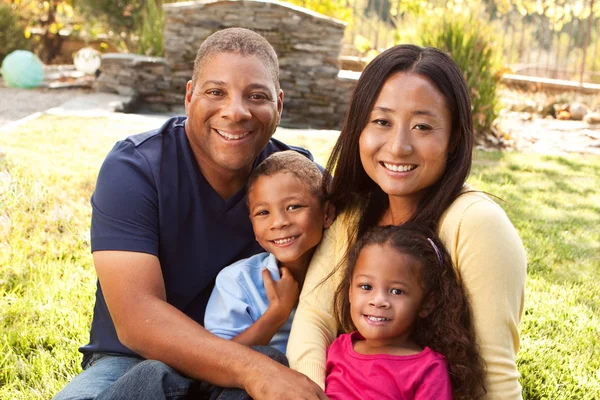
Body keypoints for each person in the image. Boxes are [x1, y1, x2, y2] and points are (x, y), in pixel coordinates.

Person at [53, 28, 327, 400]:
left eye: (257, 96)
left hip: (255, 349)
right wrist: (255, 370)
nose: (235, 111)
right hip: (132, 359)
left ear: (279, 104)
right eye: (216, 92)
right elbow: (137, 320)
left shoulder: (295, 178)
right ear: (189, 96)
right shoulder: (135, 167)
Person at [287, 44, 527, 399]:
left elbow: (496, 381)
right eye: (382, 121)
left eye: (422, 126)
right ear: (358, 128)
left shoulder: (477, 224)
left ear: (453, 138)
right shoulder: (354, 212)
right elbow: (313, 320)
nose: (399, 146)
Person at [326, 224, 485, 399]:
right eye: (366, 286)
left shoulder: (427, 370)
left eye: (396, 291)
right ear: (350, 292)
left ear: (426, 304)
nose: (378, 301)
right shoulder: (337, 348)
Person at [204, 150, 334, 354]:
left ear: (327, 213)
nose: (279, 222)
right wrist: (277, 312)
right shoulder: (237, 281)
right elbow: (218, 359)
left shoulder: (346, 274)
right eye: (263, 213)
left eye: (293, 207)